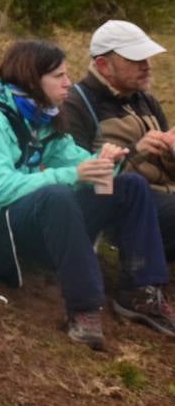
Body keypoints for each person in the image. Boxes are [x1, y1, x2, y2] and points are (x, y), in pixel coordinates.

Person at [0, 40, 175, 351]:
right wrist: (72, 175)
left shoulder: (45, 119)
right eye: (59, 76)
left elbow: (77, 162)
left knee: (131, 186)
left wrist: (109, 162)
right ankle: (84, 309)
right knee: (56, 193)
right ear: (31, 79)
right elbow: (3, 190)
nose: (69, 82)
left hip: (41, 222)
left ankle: (140, 292)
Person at [61, 20, 175, 260]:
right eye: (136, 60)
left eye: (147, 58)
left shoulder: (144, 99)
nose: (147, 66)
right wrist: (135, 151)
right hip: (124, 204)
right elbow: (77, 175)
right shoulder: (76, 103)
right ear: (103, 65)